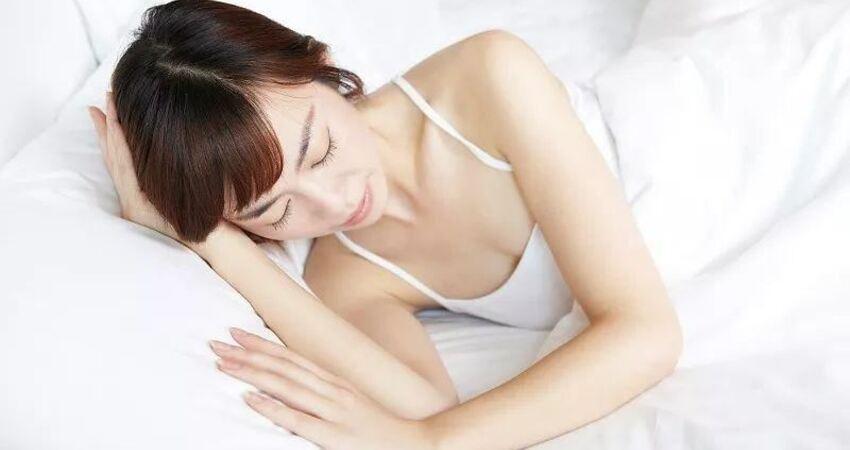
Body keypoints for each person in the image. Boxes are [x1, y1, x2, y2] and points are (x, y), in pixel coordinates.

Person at [87, 0, 682, 448]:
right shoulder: (346, 275)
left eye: (319, 150)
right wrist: (214, 244)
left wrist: (432, 444)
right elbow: (421, 401)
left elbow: (646, 333)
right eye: (274, 210)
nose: (333, 201)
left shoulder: (487, 77)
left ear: (321, 67)